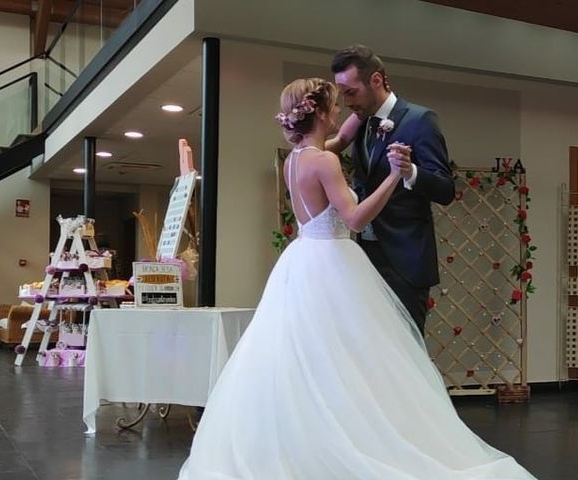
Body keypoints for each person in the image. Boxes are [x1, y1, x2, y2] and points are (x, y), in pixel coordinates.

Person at [176, 77, 536, 480]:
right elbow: (355, 216)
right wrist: (394, 177)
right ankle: (357, 439)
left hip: (301, 260)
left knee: (312, 357)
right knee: (356, 357)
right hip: (333, 258)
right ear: (322, 113)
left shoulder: (297, 158)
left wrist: (358, 123)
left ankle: (314, 441)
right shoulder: (325, 161)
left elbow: (338, 139)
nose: (343, 113)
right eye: (336, 108)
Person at [331, 45, 455, 335]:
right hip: (365, 258)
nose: (347, 101)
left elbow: (446, 189)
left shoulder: (419, 120)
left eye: (351, 92)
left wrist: (410, 171)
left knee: (407, 356)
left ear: (376, 80)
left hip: (405, 260)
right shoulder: (361, 123)